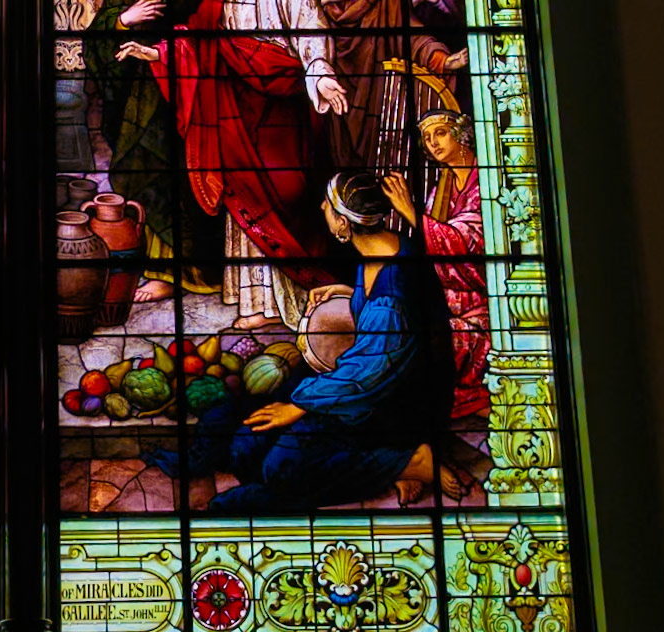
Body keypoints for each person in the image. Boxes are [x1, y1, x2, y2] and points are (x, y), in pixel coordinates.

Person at [159, 172, 456, 511]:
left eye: (328, 205)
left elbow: (369, 370)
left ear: (343, 223)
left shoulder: (392, 292)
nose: (321, 208)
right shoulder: (386, 247)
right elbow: (391, 325)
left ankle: (407, 461)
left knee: (279, 469)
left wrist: (298, 407)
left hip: (390, 406)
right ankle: (386, 468)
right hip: (366, 383)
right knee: (245, 445)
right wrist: (349, 293)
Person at [118, 0, 348, 328]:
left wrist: (320, 74)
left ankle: (299, 294)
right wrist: (159, 54)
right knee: (243, 195)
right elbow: (201, 37)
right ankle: (258, 302)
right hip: (234, 103)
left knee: (289, 192)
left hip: (281, 99)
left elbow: (310, 28)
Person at [82, 0, 213, 301]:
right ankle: (157, 265)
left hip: (180, 82)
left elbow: (195, 19)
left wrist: (142, 27)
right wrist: (124, 20)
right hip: (134, 89)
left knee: (174, 170)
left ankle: (182, 268)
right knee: (143, 169)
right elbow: (101, 29)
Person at [382, 111, 490, 420]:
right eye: (427, 138)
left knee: (430, 342)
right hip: (446, 300)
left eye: (440, 133)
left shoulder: (485, 182)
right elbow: (428, 250)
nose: (433, 143)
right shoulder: (440, 190)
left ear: (462, 134)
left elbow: (465, 243)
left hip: (482, 305)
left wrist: (409, 211)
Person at [307, 0, 404, 169]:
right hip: (325, 59)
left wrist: (436, 55)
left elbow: (400, 26)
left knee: (367, 134)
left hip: (369, 69)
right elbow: (293, 10)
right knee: (328, 134)